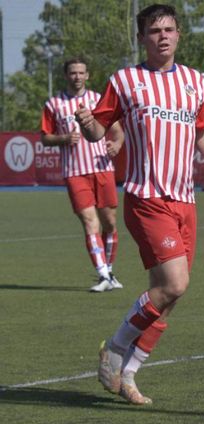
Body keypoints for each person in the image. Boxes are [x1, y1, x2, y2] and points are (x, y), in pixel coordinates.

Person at [75, 3, 204, 405]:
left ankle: (131, 375)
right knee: (174, 283)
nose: (163, 36)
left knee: (170, 294)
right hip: (146, 196)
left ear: (178, 34)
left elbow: (202, 132)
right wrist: (87, 123)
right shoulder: (124, 81)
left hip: (185, 200)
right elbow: (97, 130)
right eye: (155, 30)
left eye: (170, 29)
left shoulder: (194, 81)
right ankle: (116, 348)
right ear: (142, 38)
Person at [41, 57, 125, 292]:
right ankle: (102, 275)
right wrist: (63, 139)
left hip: (102, 169)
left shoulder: (98, 100)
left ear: (87, 75)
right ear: (66, 75)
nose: (77, 77)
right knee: (91, 223)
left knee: (109, 223)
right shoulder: (54, 104)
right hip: (74, 172)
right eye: (72, 73)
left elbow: (118, 133)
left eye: (81, 73)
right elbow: (45, 137)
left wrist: (116, 146)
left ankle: (109, 271)